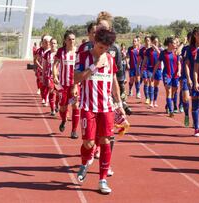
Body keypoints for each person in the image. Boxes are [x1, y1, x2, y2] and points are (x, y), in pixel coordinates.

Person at [74, 27, 125, 194]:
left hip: (106, 108)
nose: (103, 50)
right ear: (94, 42)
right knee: (88, 143)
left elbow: (114, 83)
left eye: (106, 48)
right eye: (100, 47)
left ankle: (102, 179)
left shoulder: (110, 59)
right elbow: (76, 78)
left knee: (105, 142)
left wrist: (119, 104)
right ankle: (85, 163)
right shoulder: (82, 56)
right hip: (88, 107)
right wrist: (94, 66)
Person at [52, 30, 79, 139]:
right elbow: (55, 65)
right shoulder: (61, 51)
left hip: (75, 85)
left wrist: (76, 84)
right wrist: (55, 76)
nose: (72, 41)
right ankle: (63, 120)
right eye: (69, 39)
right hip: (63, 86)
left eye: (73, 39)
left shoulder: (78, 52)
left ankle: (74, 131)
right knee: (63, 108)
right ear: (65, 40)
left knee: (75, 106)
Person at [153, 36, 181, 117]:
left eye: (176, 43)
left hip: (175, 75)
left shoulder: (176, 53)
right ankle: (171, 111)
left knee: (173, 92)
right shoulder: (163, 53)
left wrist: (179, 71)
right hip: (167, 75)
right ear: (169, 44)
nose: (175, 44)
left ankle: (167, 105)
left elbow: (179, 63)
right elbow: (158, 63)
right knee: (168, 91)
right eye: (174, 43)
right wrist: (153, 73)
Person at [185, 27, 199, 136]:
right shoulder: (190, 49)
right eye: (198, 34)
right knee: (195, 103)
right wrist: (189, 78)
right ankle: (196, 127)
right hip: (195, 80)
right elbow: (187, 64)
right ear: (194, 36)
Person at [142, 35, 161, 107]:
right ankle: (151, 101)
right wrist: (142, 69)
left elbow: (160, 54)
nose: (156, 43)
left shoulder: (160, 50)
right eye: (155, 42)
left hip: (158, 69)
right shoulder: (148, 51)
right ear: (152, 42)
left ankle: (155, 101)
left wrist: (156, 48)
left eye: (157, 42)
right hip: (150, 69)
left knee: (156, 86)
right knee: (151, 83)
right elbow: (144, 60)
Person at [43, 38, 58, 116]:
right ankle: (52, 109)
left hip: (59, 77)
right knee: (51, 92)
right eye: (52, 43)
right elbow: (44, 66)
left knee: (59, 94)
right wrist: (43, 77)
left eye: (55, 43)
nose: (53, 45)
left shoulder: (60, 53)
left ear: (57, 44)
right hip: (50, 76)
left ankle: (57, 105)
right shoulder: (47, 54)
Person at [180, 32, 192, 126]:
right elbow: (177, 53)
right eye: (190, 38)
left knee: (196, 99)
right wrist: (182, 43)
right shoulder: (185, 49)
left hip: (196, 77)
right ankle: (187, 115)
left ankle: (195, 120)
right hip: (185, 76)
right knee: (186, 98)